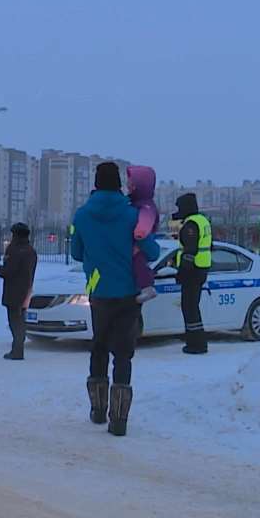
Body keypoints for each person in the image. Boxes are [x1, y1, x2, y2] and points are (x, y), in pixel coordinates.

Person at [70, 162, 160, 437]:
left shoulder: (82, 216)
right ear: (119, 184)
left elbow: (75, 252)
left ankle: (97, 410)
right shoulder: (133, 214)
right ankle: (119, 420)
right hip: (128, 294)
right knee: (123, 354)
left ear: (95, 184)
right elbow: (153, 252)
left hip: (99, 292)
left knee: (98, 348)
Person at [171, 192, 212, 355]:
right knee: (192, 306)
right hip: (201, 268)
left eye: (179, 207)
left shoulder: (191, 225)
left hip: (193, 271)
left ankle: (196, 344)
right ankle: (196, 340)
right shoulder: (202, 221)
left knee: (189, 307)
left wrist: (181, 272)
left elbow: (189, 251)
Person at [0, 222, 38, 361]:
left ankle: (17, 351)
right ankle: (18, 348)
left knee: (15, 321)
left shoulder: (14, 250)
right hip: (26, 290)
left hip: (13, 290)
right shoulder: (31, 251)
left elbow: (9, 271)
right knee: (21, 320)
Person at [127, 165, 160, 303]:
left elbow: (146, 220)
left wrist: (140, 233)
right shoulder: (137, 202)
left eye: (131, 183)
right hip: (138, 241)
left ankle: (148, 288)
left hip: (140, 239)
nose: (128, 185)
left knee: (139, 262)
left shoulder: (145, 205)